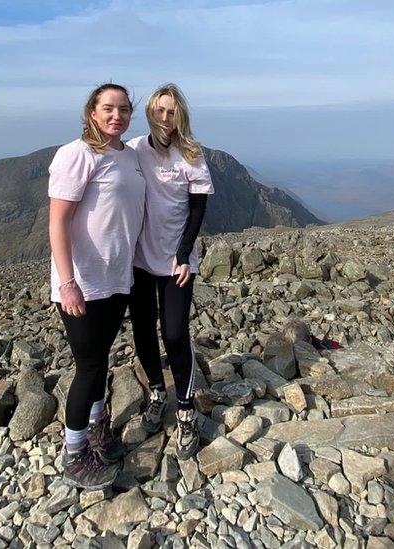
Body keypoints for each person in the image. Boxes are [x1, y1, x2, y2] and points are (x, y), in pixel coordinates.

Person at [48, 83, 146, 489]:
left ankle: (97, 431)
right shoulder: (77, 154)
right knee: (88, 367)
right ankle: (74, 454)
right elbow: (57, 221)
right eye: (108, 108)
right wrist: (67, 283)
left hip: (117, 278)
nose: (116, 116)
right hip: (84, 282)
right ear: (91, 111)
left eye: (123, 109)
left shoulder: (130, 154)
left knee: (102, 358)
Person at [126, 84, 214, 459]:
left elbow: (197, 209)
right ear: (150, 113)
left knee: (175, 333)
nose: (166, 118)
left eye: (172, 112)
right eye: (160, 111)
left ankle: (186, 408)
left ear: (181, 116)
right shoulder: (133, 149)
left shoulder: (191, 154)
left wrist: (183, 253)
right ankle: (158, 394)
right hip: (139, 259)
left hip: (177, 261)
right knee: (143, 331)